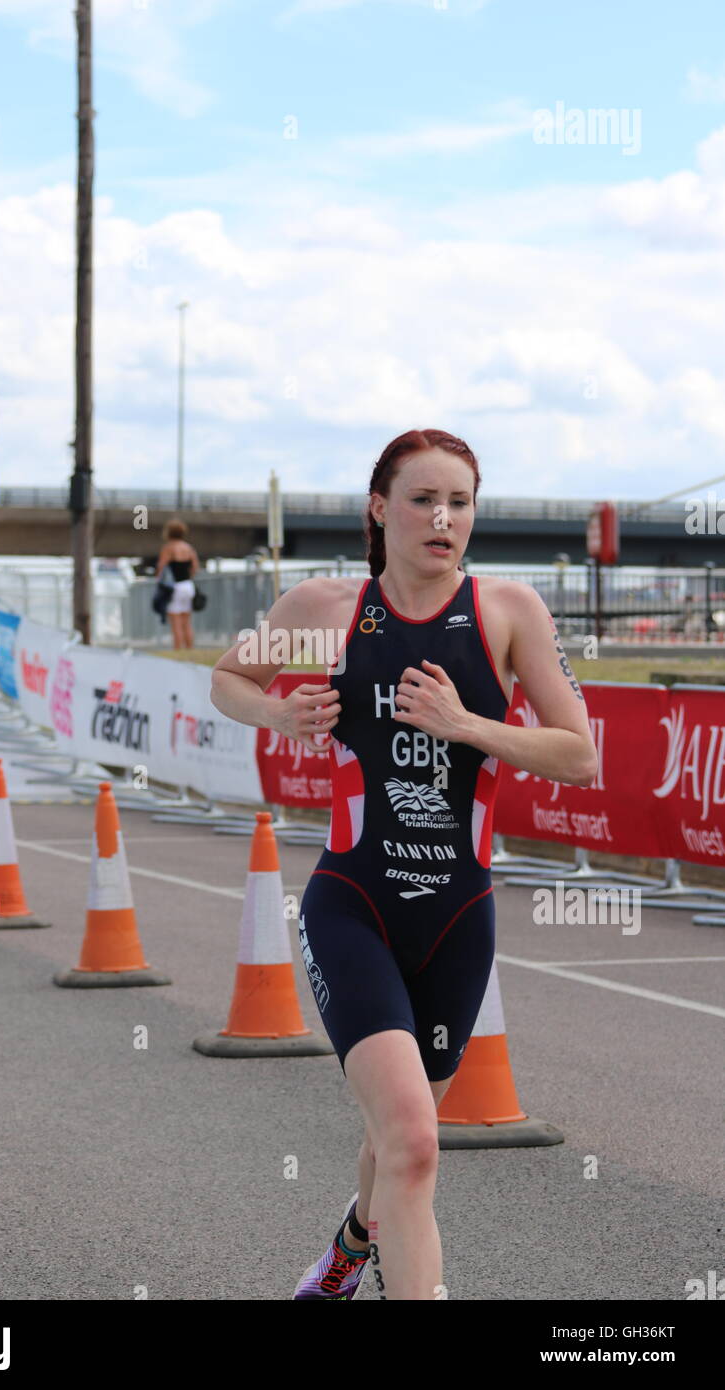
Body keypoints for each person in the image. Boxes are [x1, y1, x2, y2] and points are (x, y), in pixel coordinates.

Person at [209, 428, 598, 1301]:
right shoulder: (325, 611)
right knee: (417, 1142)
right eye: (423, 499)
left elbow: (580, 756)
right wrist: (284, 718)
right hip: (356, 905)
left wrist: (468, 725)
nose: (442, 519)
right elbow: (228, 680)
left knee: (400, 1132)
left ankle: (348, 1255)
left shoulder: (506, 613)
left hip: (458, 917)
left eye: (460, 503)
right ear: (379, 509)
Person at [156, 519, 200, 651]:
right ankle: (189, 649)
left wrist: (159, 580)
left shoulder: (169, 547)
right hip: (188, 585)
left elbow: (161, 566)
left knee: (175, 621)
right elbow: (195, 567)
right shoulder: (189, 547)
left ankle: (177, 650)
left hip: (175, 587)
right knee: (186, 622)